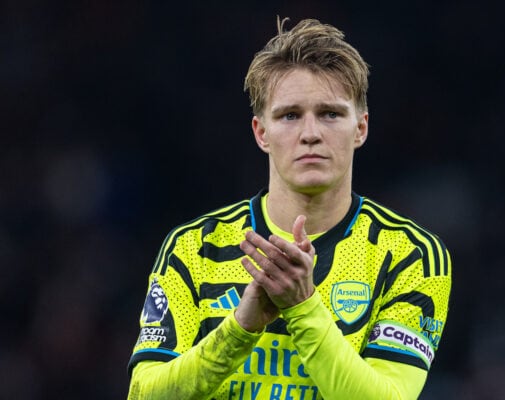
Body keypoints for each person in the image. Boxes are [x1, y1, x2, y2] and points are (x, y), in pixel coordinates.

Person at [127, 17, 451, 400]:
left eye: (330, 114)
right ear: (261, 132)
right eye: (290, 115)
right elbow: (144, 395)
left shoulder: (410, 255)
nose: (310, 133)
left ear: (360, 128)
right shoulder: (195, 247)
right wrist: (240, 328)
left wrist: (302, 306)